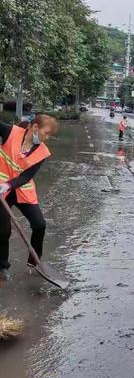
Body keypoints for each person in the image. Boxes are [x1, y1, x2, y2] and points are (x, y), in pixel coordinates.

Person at [0, 115, 59, 281]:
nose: (47, 138)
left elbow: (26, 176)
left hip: (21, 189)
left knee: (39, 225)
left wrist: (9, 185)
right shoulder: (10, 132)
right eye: (46, 133)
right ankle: (2, 266)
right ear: (35, 128)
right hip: (1, 190)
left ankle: (34, 262)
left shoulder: (43, 152)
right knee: (3, 229)